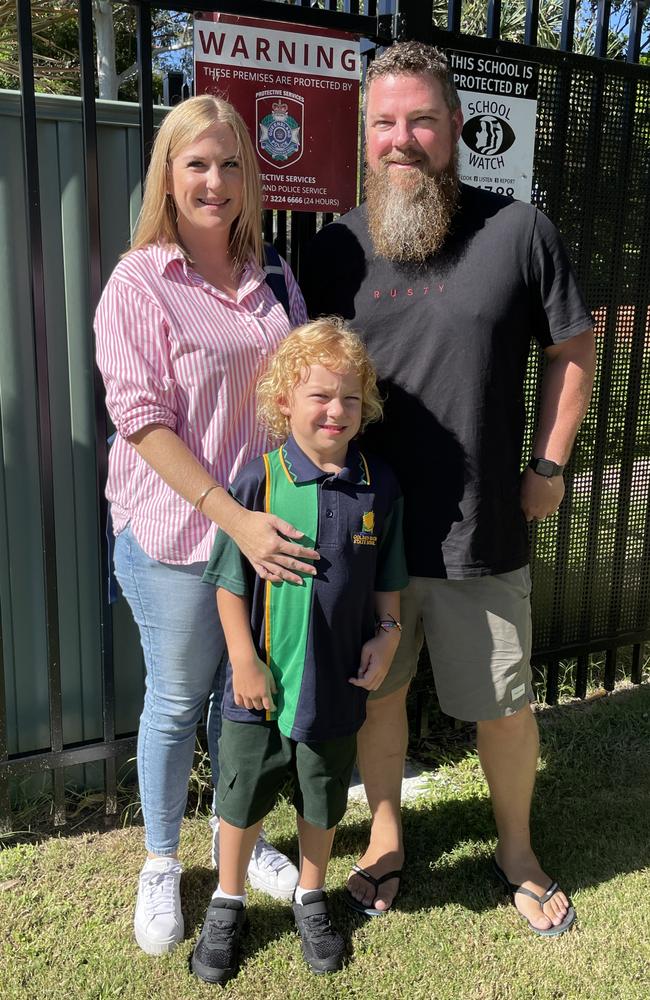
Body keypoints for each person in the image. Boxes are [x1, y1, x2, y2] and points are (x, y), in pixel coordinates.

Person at [302, 42, 596, 935]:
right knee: (379, 700)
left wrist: (547, 464)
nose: (403, 139)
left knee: (502, 709)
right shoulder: (333, 253)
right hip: (364, 534)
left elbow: (571, 351)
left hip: (480, 531)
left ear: (456, 127)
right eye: (384, 123)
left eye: (421, 119)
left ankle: (516, 848)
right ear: (364, 135)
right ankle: (384, 832)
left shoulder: (518, 230)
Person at [94, 94, 320, 957]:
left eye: (230, 164)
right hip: (180, 537)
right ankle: (160, 862)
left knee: (244, 700)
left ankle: (242, 838)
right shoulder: (139, 282)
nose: (216, 181)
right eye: (197, 164)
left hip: (263, 532)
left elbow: (296, 394)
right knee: (181, 697)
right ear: (168, 176)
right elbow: (143, 422)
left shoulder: (277, 279)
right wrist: (238, 522)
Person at [191, 319, 408, 984]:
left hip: (337, 689)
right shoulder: (259, 482)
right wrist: (245, 663)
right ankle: (228, 901)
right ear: (284, 399)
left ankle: (310, 896)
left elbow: (388, 587)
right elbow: (229, 586)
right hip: (257, 692)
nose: (335, 411)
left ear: (364, 403)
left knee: (321, 802)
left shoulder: (380, 485)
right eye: (319, 396)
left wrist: (388, 637)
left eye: (348, 397)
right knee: (242, 801)